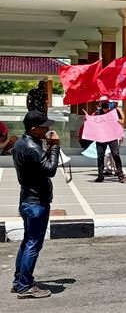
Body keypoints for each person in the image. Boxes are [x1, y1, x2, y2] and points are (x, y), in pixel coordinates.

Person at [11, 111, 59, 299]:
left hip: (27, 198)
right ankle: (24, 286)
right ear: (33, 129)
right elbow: (50, 170)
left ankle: (19, 281)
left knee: (27, 241)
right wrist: (54, 147)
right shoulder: (32, 147)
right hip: (36, 201)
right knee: (33, 243)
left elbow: (38, 166)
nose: (47, 129)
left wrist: (47, 146)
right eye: (43, 127)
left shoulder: (21, 144)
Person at [94, 97, 126, 183]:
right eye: (104, 108)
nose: (105, 110)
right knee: (100, 156)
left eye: (106, 108)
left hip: (112, 136)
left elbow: (121, 122)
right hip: (101, 137)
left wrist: (121, 132)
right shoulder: (97, 113)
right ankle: (100, 176)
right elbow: (92, 122)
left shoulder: (114, 112)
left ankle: (120, 175)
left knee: (116, 154)